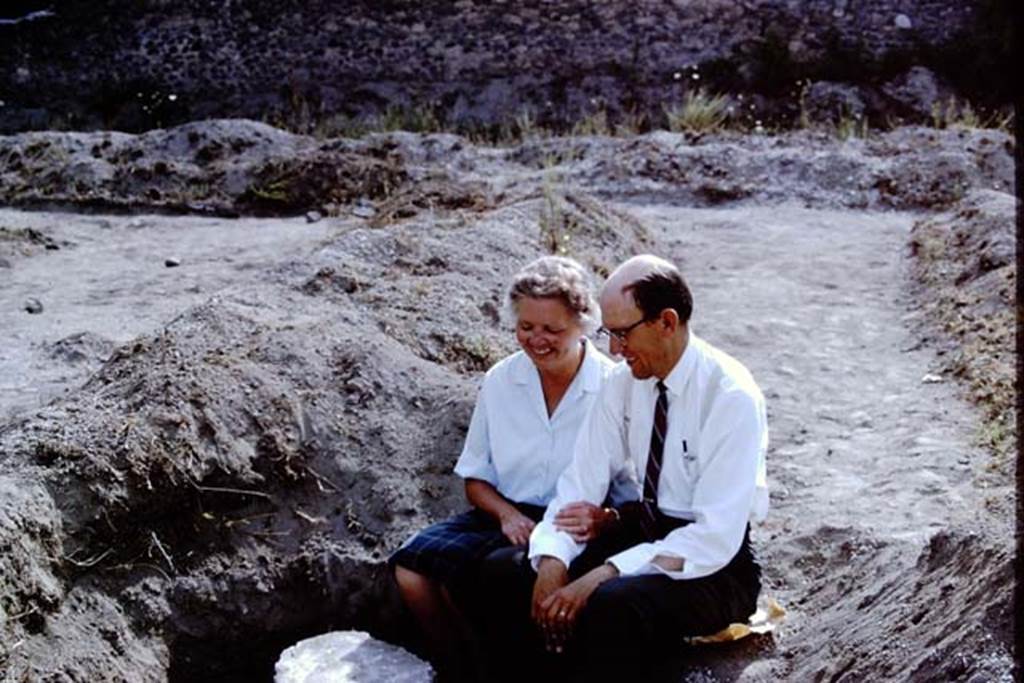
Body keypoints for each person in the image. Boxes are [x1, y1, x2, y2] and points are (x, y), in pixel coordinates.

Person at [482, 254, 769, 681]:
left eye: (621, 334)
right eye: (608, 334)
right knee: (506, 571)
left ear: (666, 323)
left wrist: (605, 571)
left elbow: (714, 537)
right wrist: (552, 562)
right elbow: (581, 482)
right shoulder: (623, 383)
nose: (613, 350)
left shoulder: (730, 396)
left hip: (713, 565)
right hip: (646, 531)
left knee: (613, 604)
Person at [389, 255, 616, 681]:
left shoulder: (611, 387)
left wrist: (599, 521)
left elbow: (628, 490)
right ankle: (458, 667)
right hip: (505, 514)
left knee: (496, 574)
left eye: (552, 329)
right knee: (412, 570)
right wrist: (506, 515)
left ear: (583, 324)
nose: (537, 340)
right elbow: (476, 478)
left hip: (573, 523)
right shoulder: (500, 380)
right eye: (526, 327)